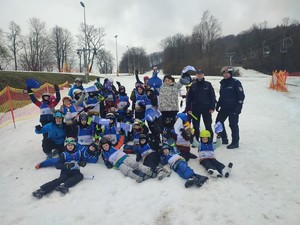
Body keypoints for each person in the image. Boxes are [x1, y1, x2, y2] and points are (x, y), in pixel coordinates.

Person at [216, 66, 245, 149]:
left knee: (233, 124)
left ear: (230, 74)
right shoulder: (222, 83)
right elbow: (222, 96)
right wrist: (218, 104)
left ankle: (235, 142)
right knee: (218, 122)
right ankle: (224, 139)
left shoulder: (236, 82)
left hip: (233, 107)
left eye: (227, 73)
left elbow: (241, 96)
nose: (225, 74)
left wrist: (239, 107)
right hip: (224, 107)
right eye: (224, 73)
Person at [186, 69, 216, 141]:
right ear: (196, 75)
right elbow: (189, 98)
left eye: (201, 74)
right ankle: (196, 140)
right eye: (198, 74)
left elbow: (212, 97)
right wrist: (188, 109)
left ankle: (209, 140)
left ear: (203, 75)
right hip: (195, 108)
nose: (199, 75)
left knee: (208, 125)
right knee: (196, 126)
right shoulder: (193, 85)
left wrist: (212, 107)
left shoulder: (208, 85)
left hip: (206, 109)